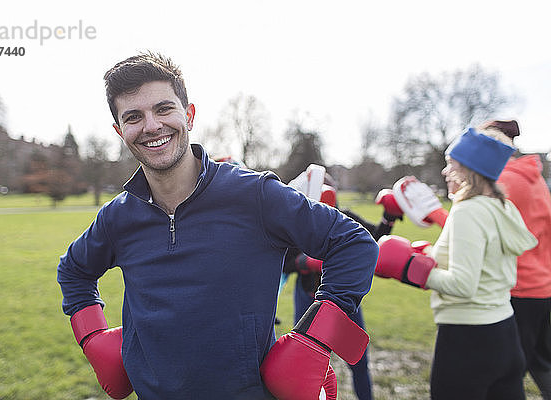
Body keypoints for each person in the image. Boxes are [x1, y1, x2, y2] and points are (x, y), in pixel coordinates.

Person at [56, 51, 379, 400]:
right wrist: (92, 339)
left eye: (163, 109)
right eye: (134, 117)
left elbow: (353, 243)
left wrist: (314, 338)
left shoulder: (254, 194)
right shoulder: (117, 217)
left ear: (189, 115)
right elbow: (74, 270)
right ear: (120, 131)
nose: (151, 126)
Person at [375, 127, 538, 399]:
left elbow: (463, 284)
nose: (444, 171)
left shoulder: (468, 211)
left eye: (451, 164)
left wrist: (409, 269)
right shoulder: (501, 206)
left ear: (469, 169)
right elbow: (484, 262)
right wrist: (430, 255)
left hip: (468, 339)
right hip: (505, 333)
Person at [282, 168, 403, 400]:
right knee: (304, 360)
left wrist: (388, 217)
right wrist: (306, 262)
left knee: (357, 360)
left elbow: (373, 240)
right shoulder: (298, 223)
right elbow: (284, 261)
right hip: (308, 297)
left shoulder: (344, 217)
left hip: (344, 300)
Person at [478, 119, 551, 400]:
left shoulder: (504, 181)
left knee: (506, 373)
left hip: (519, 287)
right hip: (542, 286)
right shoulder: (534, 178)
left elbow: (477, 233)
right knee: (541, 363)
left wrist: (433, 212)